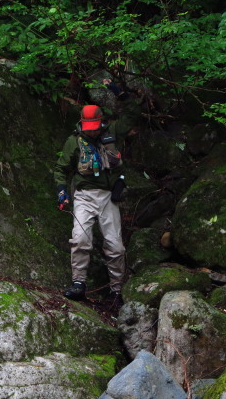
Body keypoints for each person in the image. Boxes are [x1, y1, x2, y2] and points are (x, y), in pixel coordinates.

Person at [54, 78, 140, 307]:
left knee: (115, 246)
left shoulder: (114, 132)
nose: (91, 133)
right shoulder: (73, 142)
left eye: (95, 128)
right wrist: (62, 191)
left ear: (100, 122)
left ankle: (115, 291)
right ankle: (78, 284)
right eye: (88, 129)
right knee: (80, 239)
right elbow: (62, 169)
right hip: (83, 195)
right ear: (82, 123)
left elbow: (133, 114)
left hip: (109, 197)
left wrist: (120, 94)